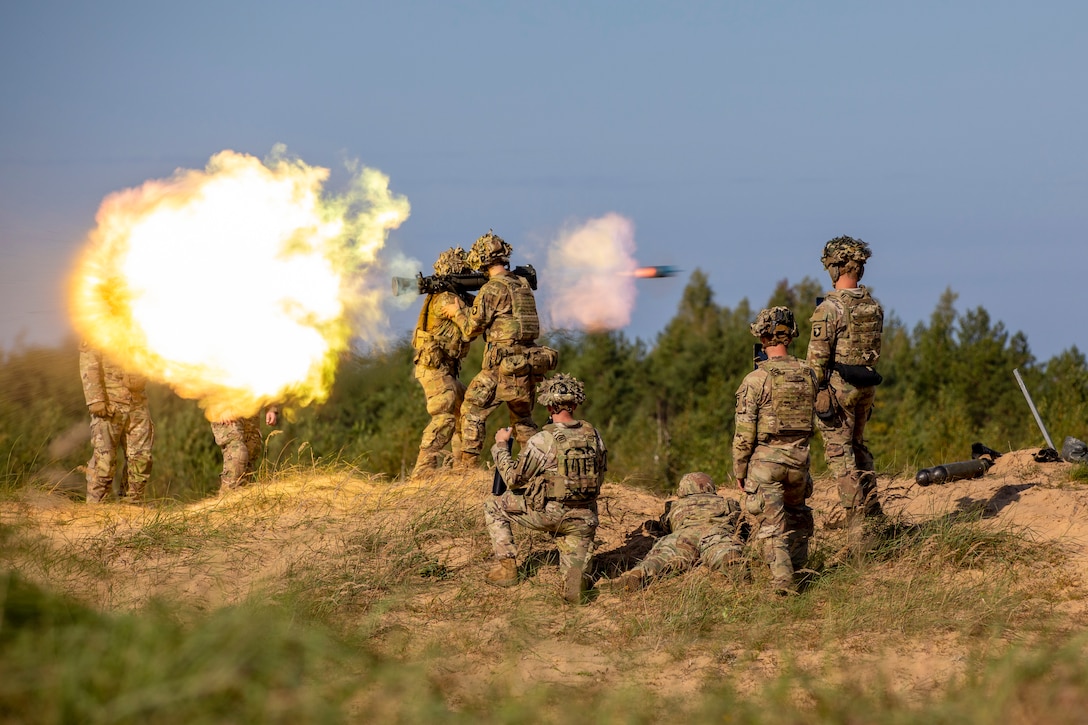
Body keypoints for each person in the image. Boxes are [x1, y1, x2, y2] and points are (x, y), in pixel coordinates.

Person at [483, 373, 606, 604]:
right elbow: (599, 475)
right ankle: (574, 576)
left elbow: (513, 479)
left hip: (550, 513)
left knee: (493, 506)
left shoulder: (543, 439)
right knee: (575, 575)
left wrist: (501, 447)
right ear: (576, 403)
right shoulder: (594, 435)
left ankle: (507, 569)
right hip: (584, 518)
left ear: (548, 405)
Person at [733, 307, 818, 594]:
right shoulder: (809, 374)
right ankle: (802, 576)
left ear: (762, 336)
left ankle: (783, 582)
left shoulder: (755, 379)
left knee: (772, 526)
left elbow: (744, 433)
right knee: (797, 519)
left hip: (766, 464)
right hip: (800, 462)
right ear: (791, 334)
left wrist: (740, 470)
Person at [457, 230, 554, 467]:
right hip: (526, 363)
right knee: (522, 419)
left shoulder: (491, 290)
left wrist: (456, 312)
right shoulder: (521, 284)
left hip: (500, 366)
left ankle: (466, 471)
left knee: (471, 410)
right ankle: (536, 468)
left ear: (481, 259)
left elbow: (470, 329)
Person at [807, 235, 885, 525]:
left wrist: (812, 394)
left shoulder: (829, 309)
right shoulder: (872, 306)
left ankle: (857, 525)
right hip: (865, 386)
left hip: (839, 390)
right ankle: (875, 515)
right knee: (859, 447)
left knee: (841, 456)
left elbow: (815, 363)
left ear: (837, 267)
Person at [596, 472, 745, 592]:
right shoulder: (727, 502)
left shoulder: (675, 505)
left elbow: (665, 526)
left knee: (662, 555)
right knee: (723, 549)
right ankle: (731, 563)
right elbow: (738, 522)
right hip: (715, 533)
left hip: (684, 536)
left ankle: (640, 574)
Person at [411, 247, 475, 476]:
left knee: (466, 409)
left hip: (444, 369)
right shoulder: (446, 299)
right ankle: (423, 471)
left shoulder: (452, 297)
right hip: (434, 369)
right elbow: (471, 326)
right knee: (444, 415)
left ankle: (462, 468)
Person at [79, 341, 154, 504]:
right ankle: (97, 507)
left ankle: (132, 503)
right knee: (104, 461)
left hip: (137, 405)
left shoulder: (138, 328)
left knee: (141, 458)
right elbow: (89, 360)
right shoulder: (101, 326)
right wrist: (95, 399)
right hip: (109, 406)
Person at [212, 405, 278, 492]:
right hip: (226, 409)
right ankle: (229, 496)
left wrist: (271, 408)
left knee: (251, 453)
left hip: (250, 412)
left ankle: (241, 499)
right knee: (237, 451)